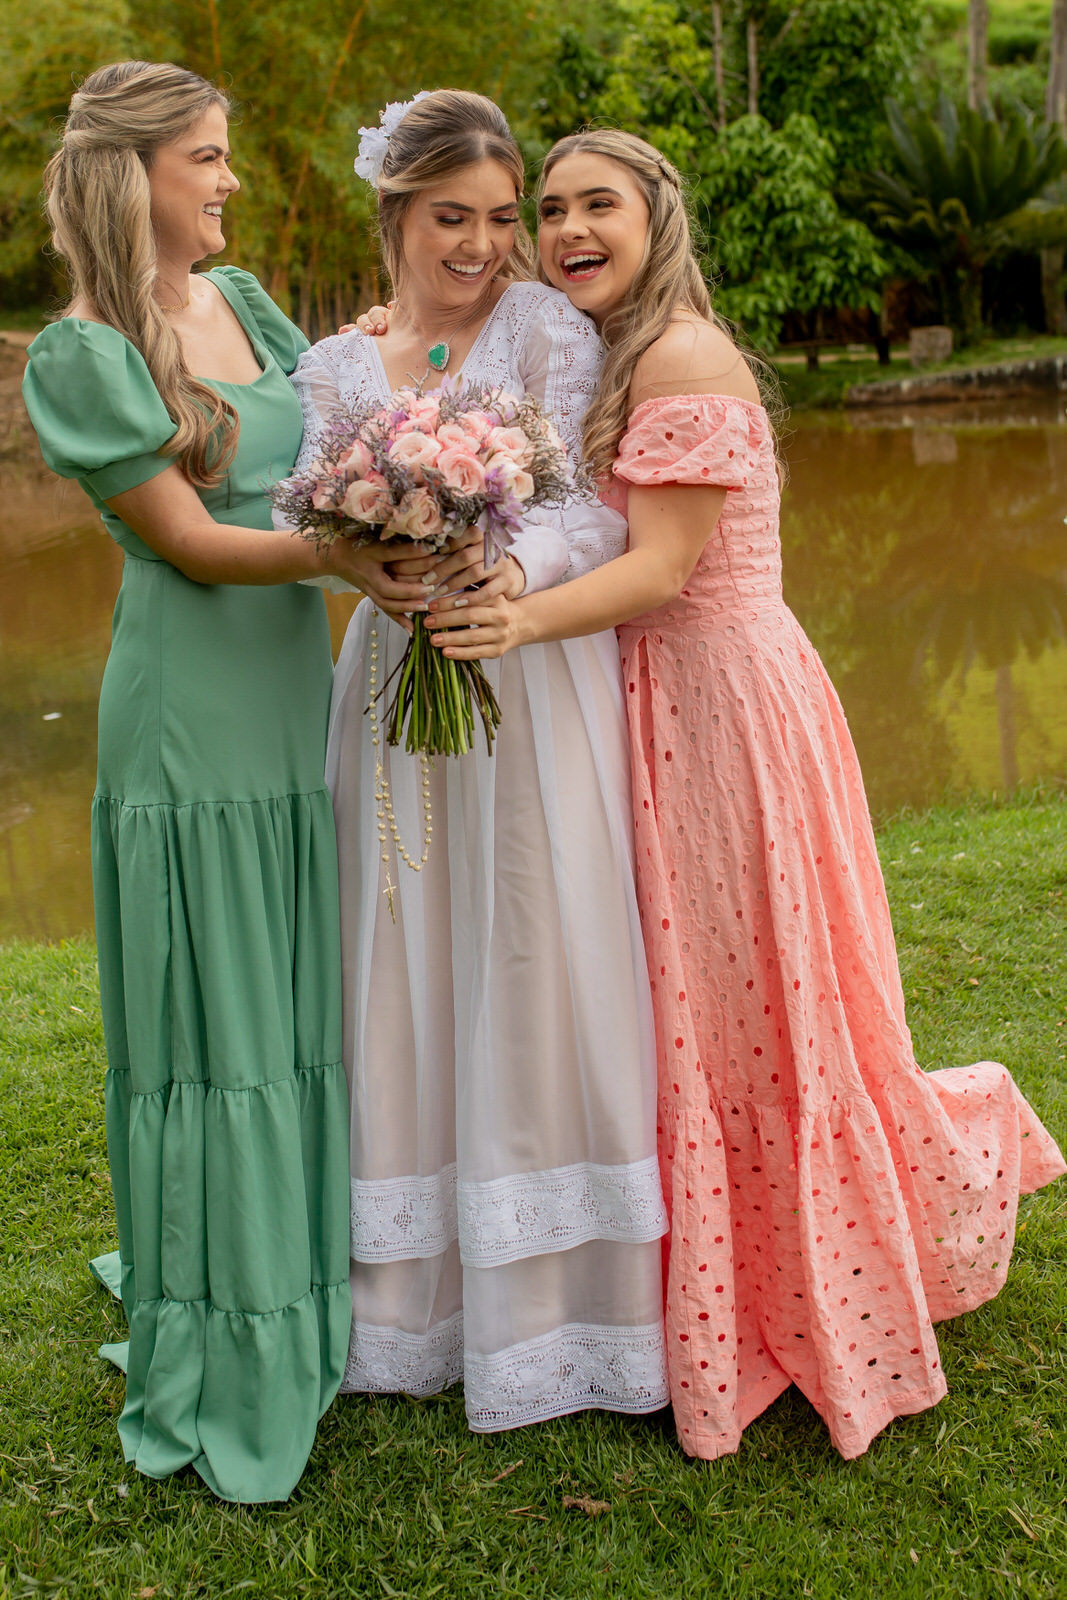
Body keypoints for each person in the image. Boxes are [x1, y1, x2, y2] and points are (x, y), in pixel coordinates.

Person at [420, 128, 1067, 1461]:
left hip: (721, 710)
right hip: (652, 708)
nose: (566, 228)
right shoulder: (605, 348)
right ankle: (696, 1294)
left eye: (599, 203)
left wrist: (509, 620)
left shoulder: (689, 358)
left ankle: (811, 1285)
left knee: (752, 999)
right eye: (551, 210)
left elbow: (661, 569)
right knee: (689, 1007)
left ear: (660, 214)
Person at [19, 61, 421, 1502]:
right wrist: (343, 555)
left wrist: (415, 446)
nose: (230, 179)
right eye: (206, 157)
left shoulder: (243, 306)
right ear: (135, 176)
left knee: (289, 1001)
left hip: (286, 700)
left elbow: (323, 437)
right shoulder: (79, 354)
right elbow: (191, 540)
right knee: (220, 1021)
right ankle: (227, 1320)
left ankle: (303, 1275)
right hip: (189, 714)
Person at [287, 91, 670, 1431]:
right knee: (398, 948)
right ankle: (407, 1307)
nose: (484, 246)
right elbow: (316, 522)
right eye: (454, 218)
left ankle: (562, 1311)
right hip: (392, 684)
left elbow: (593, 507)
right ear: (395, 213)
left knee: (530, 940)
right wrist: (371, 559)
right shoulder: (336, 369)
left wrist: (502, 568)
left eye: (502, 219)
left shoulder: (545, 329)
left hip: (525, 673)